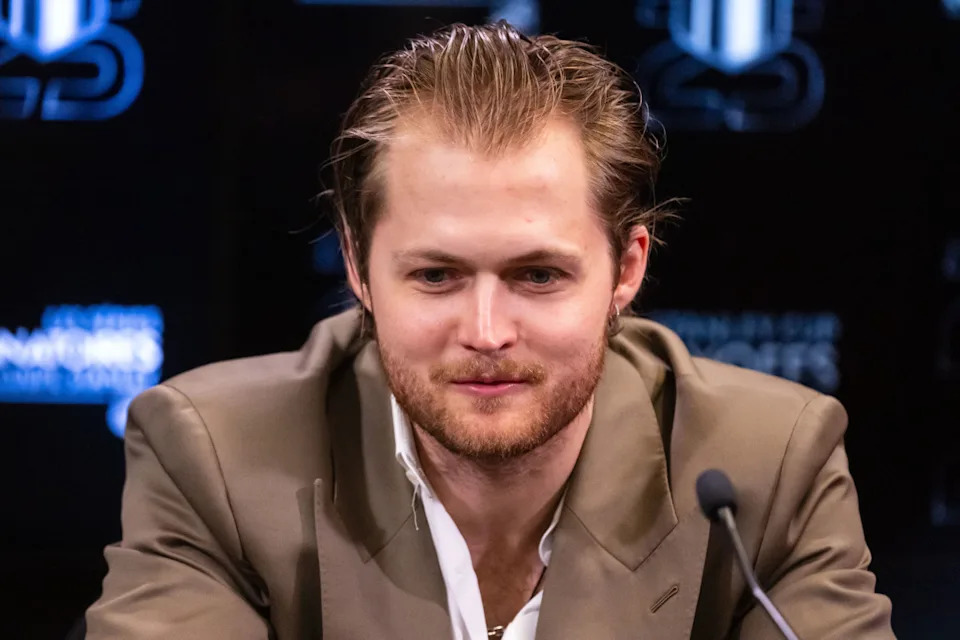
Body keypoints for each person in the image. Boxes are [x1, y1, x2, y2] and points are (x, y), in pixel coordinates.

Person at [86, 20, 895, 639]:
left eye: (537, 276)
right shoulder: (215, 459)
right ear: (359, 267)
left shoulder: (768, 467)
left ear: (626, 270)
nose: (485, 332)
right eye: (436, 276)